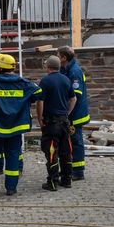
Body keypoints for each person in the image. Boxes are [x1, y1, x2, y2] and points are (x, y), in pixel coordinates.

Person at [0, 54, 42, 196]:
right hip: (16, 128)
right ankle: (11, 188)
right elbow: (38, 93)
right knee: (13, 156)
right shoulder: (24, 83)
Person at [37, 56, 76, 190]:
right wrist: (67, 113)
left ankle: (52, 182)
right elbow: (73, 99)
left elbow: (40, 102)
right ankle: (66, 180)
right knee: (66, 152)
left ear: (48, 66)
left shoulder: (45, 81)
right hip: (64, 122)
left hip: (51, 123)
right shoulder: (66, 79)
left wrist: (40, 118)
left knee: (52, 152)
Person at [58, 47, 90, 181]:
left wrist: (67, 113)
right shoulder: (65, 69)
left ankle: (78, 171)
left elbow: (75, 96)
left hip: (75, 114)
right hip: (70, 112)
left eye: (58, 56)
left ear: (64, 58)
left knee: (76, 141)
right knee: (69, 141)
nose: (57, 58)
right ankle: (70, 168)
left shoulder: (74, 71)